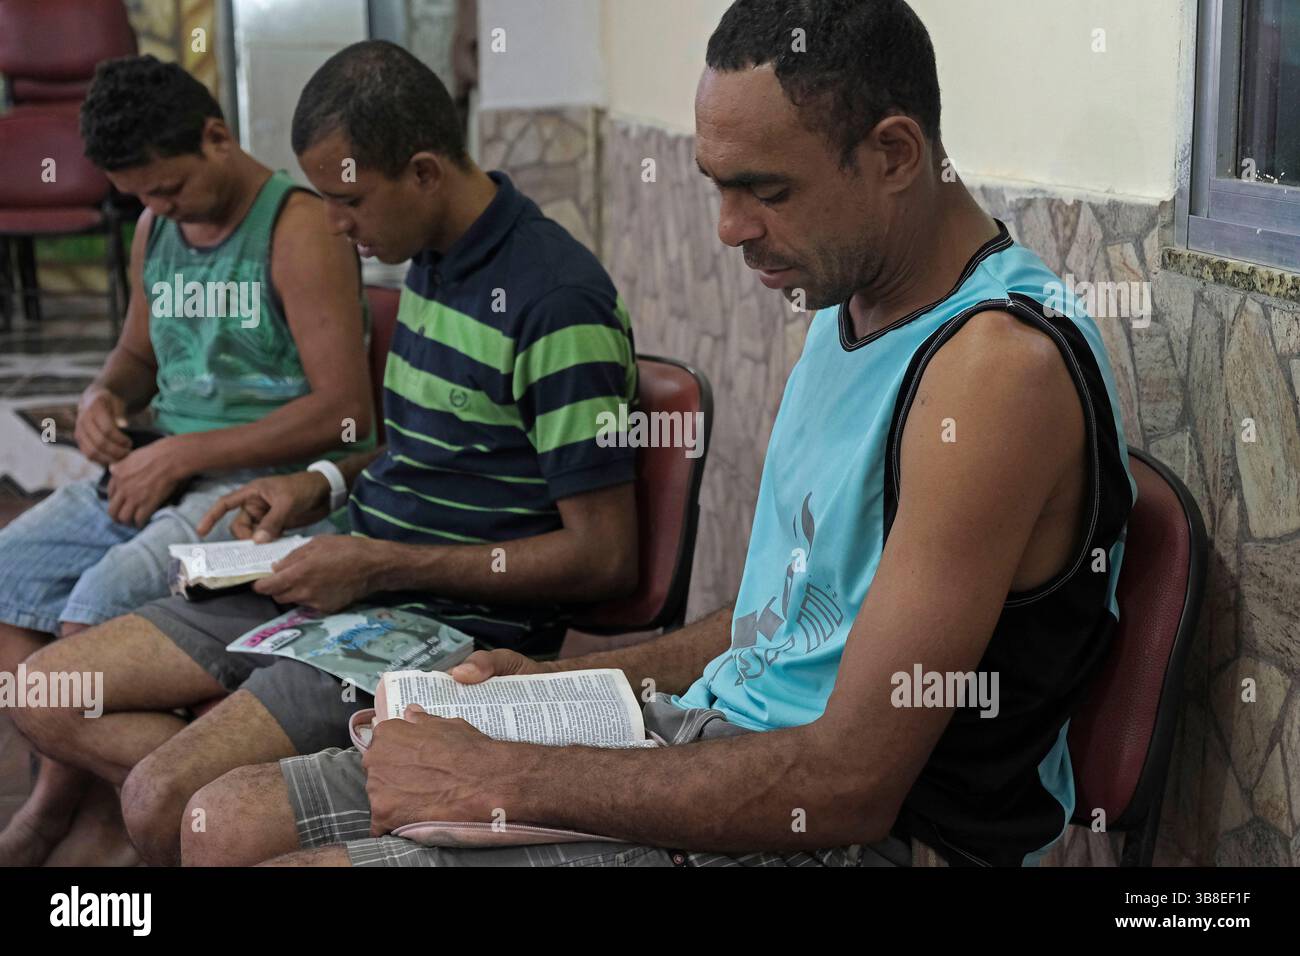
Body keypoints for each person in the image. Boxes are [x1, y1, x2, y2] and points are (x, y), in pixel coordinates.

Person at [180, 0, 1135, 868]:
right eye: (716, 185)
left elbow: (848, 785)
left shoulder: (995, 370)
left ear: (893, 154)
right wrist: (556, 680)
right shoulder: (847, 311)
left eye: (765, 190)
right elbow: (781, 618)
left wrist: (498, 775)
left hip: (859, 836)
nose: (726, 229)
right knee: (216, 822)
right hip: (720, 743)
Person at [14, 41, 640, 867]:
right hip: (336, 569)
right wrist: (315, 482)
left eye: (348, 201)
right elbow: (411, 453)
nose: (337, 224)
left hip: (431, 622)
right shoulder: (432, 259)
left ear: (422, 172)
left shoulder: (555, 303)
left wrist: (376, 565)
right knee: (44, 693)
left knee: (169, 799)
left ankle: (251, 805)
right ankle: (266, 796)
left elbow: (604, 559)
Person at [0, 55, 373, 866]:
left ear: (217, 137)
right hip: (161, 463)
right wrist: (103, 399)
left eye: (169, 188)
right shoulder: (153, 229)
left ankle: (77, 816)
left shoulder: (297, 227)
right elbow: (135, 357)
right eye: (139, 195)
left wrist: (183, 453)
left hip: (256, 483)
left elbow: (345, 412)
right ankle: (100, 793)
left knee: (95, 606)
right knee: (7, 568)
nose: (157, 208)